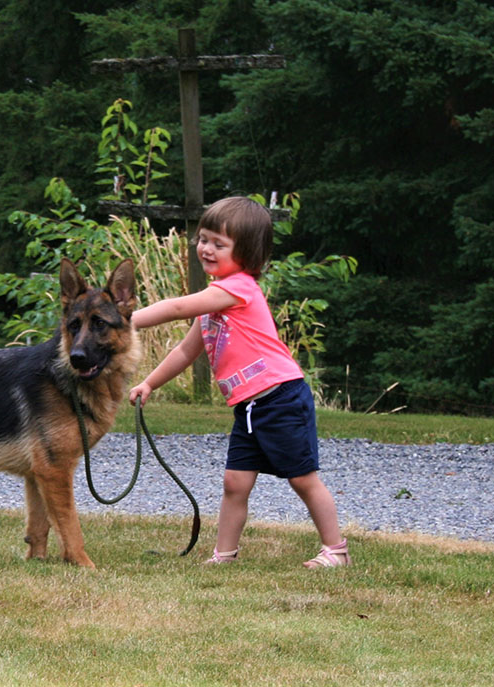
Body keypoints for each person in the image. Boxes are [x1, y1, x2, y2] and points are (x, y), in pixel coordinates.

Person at [129, 196, 348, 568]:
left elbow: (180, 307)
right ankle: (224, 555)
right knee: (235, 483)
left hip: (280, 399)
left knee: (302, 479)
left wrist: (124, 320)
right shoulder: (214, 303)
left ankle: (336, 551)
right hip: (248, 408)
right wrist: (150, 383)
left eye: (219, 243)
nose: (206, 248)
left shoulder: (239, 288)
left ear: (246, 254)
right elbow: (186, 351)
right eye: (203, 238)